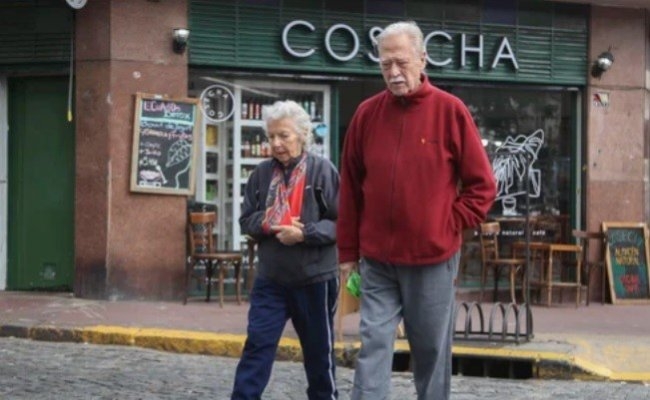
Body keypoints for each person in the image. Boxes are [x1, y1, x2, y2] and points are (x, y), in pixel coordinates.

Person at [337, 21, 497, 400]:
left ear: (423, 59)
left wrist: (446, 224)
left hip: (432, 260)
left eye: (401, 62)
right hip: (378, 261)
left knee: (430, 353)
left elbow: (483, 187)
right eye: (385, 64)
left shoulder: (450, 111)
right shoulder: (366, 115)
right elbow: (350, 189)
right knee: (374, 344)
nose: (393, 72)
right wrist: (347, 254)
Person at [231, 100, 340, 400]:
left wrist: (305, 233)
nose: (276, 143)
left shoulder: (322, 171)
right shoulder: (261, 174)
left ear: (302, 135)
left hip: (315, 279)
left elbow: (341, 223)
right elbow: (245, 220)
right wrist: (269, 222)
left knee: (319, 354)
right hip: (272, 280)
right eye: (271, 136)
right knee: (257, 345)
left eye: (284, 135)